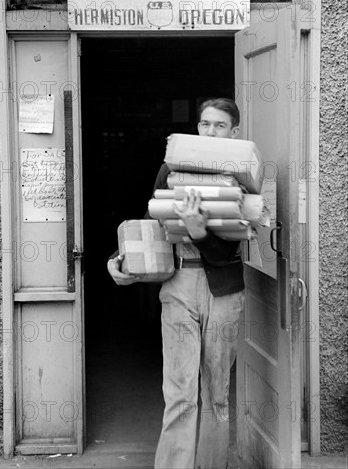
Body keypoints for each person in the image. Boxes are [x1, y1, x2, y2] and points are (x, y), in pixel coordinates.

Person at [107, 98, 245, 469]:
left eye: (219, 125)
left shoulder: (243, 174)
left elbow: (228, 248)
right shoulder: (171, 168)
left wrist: (199, 231)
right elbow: (151, 224)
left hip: (225, 291)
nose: (210, 131)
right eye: (204, 124)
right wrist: (122, 261)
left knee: (217, 395)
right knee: (180, 395)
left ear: (234, 132)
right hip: (180, 286)